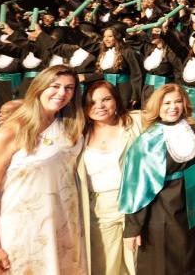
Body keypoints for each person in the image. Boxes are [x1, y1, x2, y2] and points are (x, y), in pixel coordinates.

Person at [0, 64, 86, 274]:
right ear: (39, 87)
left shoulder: (71, 126)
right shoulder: (10, 133)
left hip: (64, 229)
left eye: (69, 88)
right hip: (22, 232)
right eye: (54, 86)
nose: (61, 93)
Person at [118, 83, 195, 275]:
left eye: (177, 102)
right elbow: (136, 188)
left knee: (193, 257)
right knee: (166, 261)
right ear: (157, 106)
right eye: (166, 103)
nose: (173, 107)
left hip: (193, 204)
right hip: (164, 209)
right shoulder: (147, 142)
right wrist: (133, 228)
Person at [77, 80, 142, 274]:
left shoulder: (135, 122)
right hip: (99, 209)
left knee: (137, 265)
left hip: (135, 206)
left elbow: (170, 114)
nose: (100, 106)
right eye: (93, 102)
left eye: (106, 99)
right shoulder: (79, 132)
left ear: (116, 100)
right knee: (106, 267)